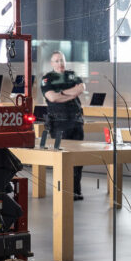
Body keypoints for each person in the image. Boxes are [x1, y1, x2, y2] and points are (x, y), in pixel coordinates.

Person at [41, 51, 85, 200]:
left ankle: (76, 191)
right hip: (59, 124)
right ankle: (64, 192)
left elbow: (81, 88)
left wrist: (62, 93)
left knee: (78, 160)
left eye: (62, 60)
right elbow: (52, 97)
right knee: (62, 159)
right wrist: (71, 94)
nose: (60, 63)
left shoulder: (71, 75)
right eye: (57, 61)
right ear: (52, 64)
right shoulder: (47, 79)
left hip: (76, 122)